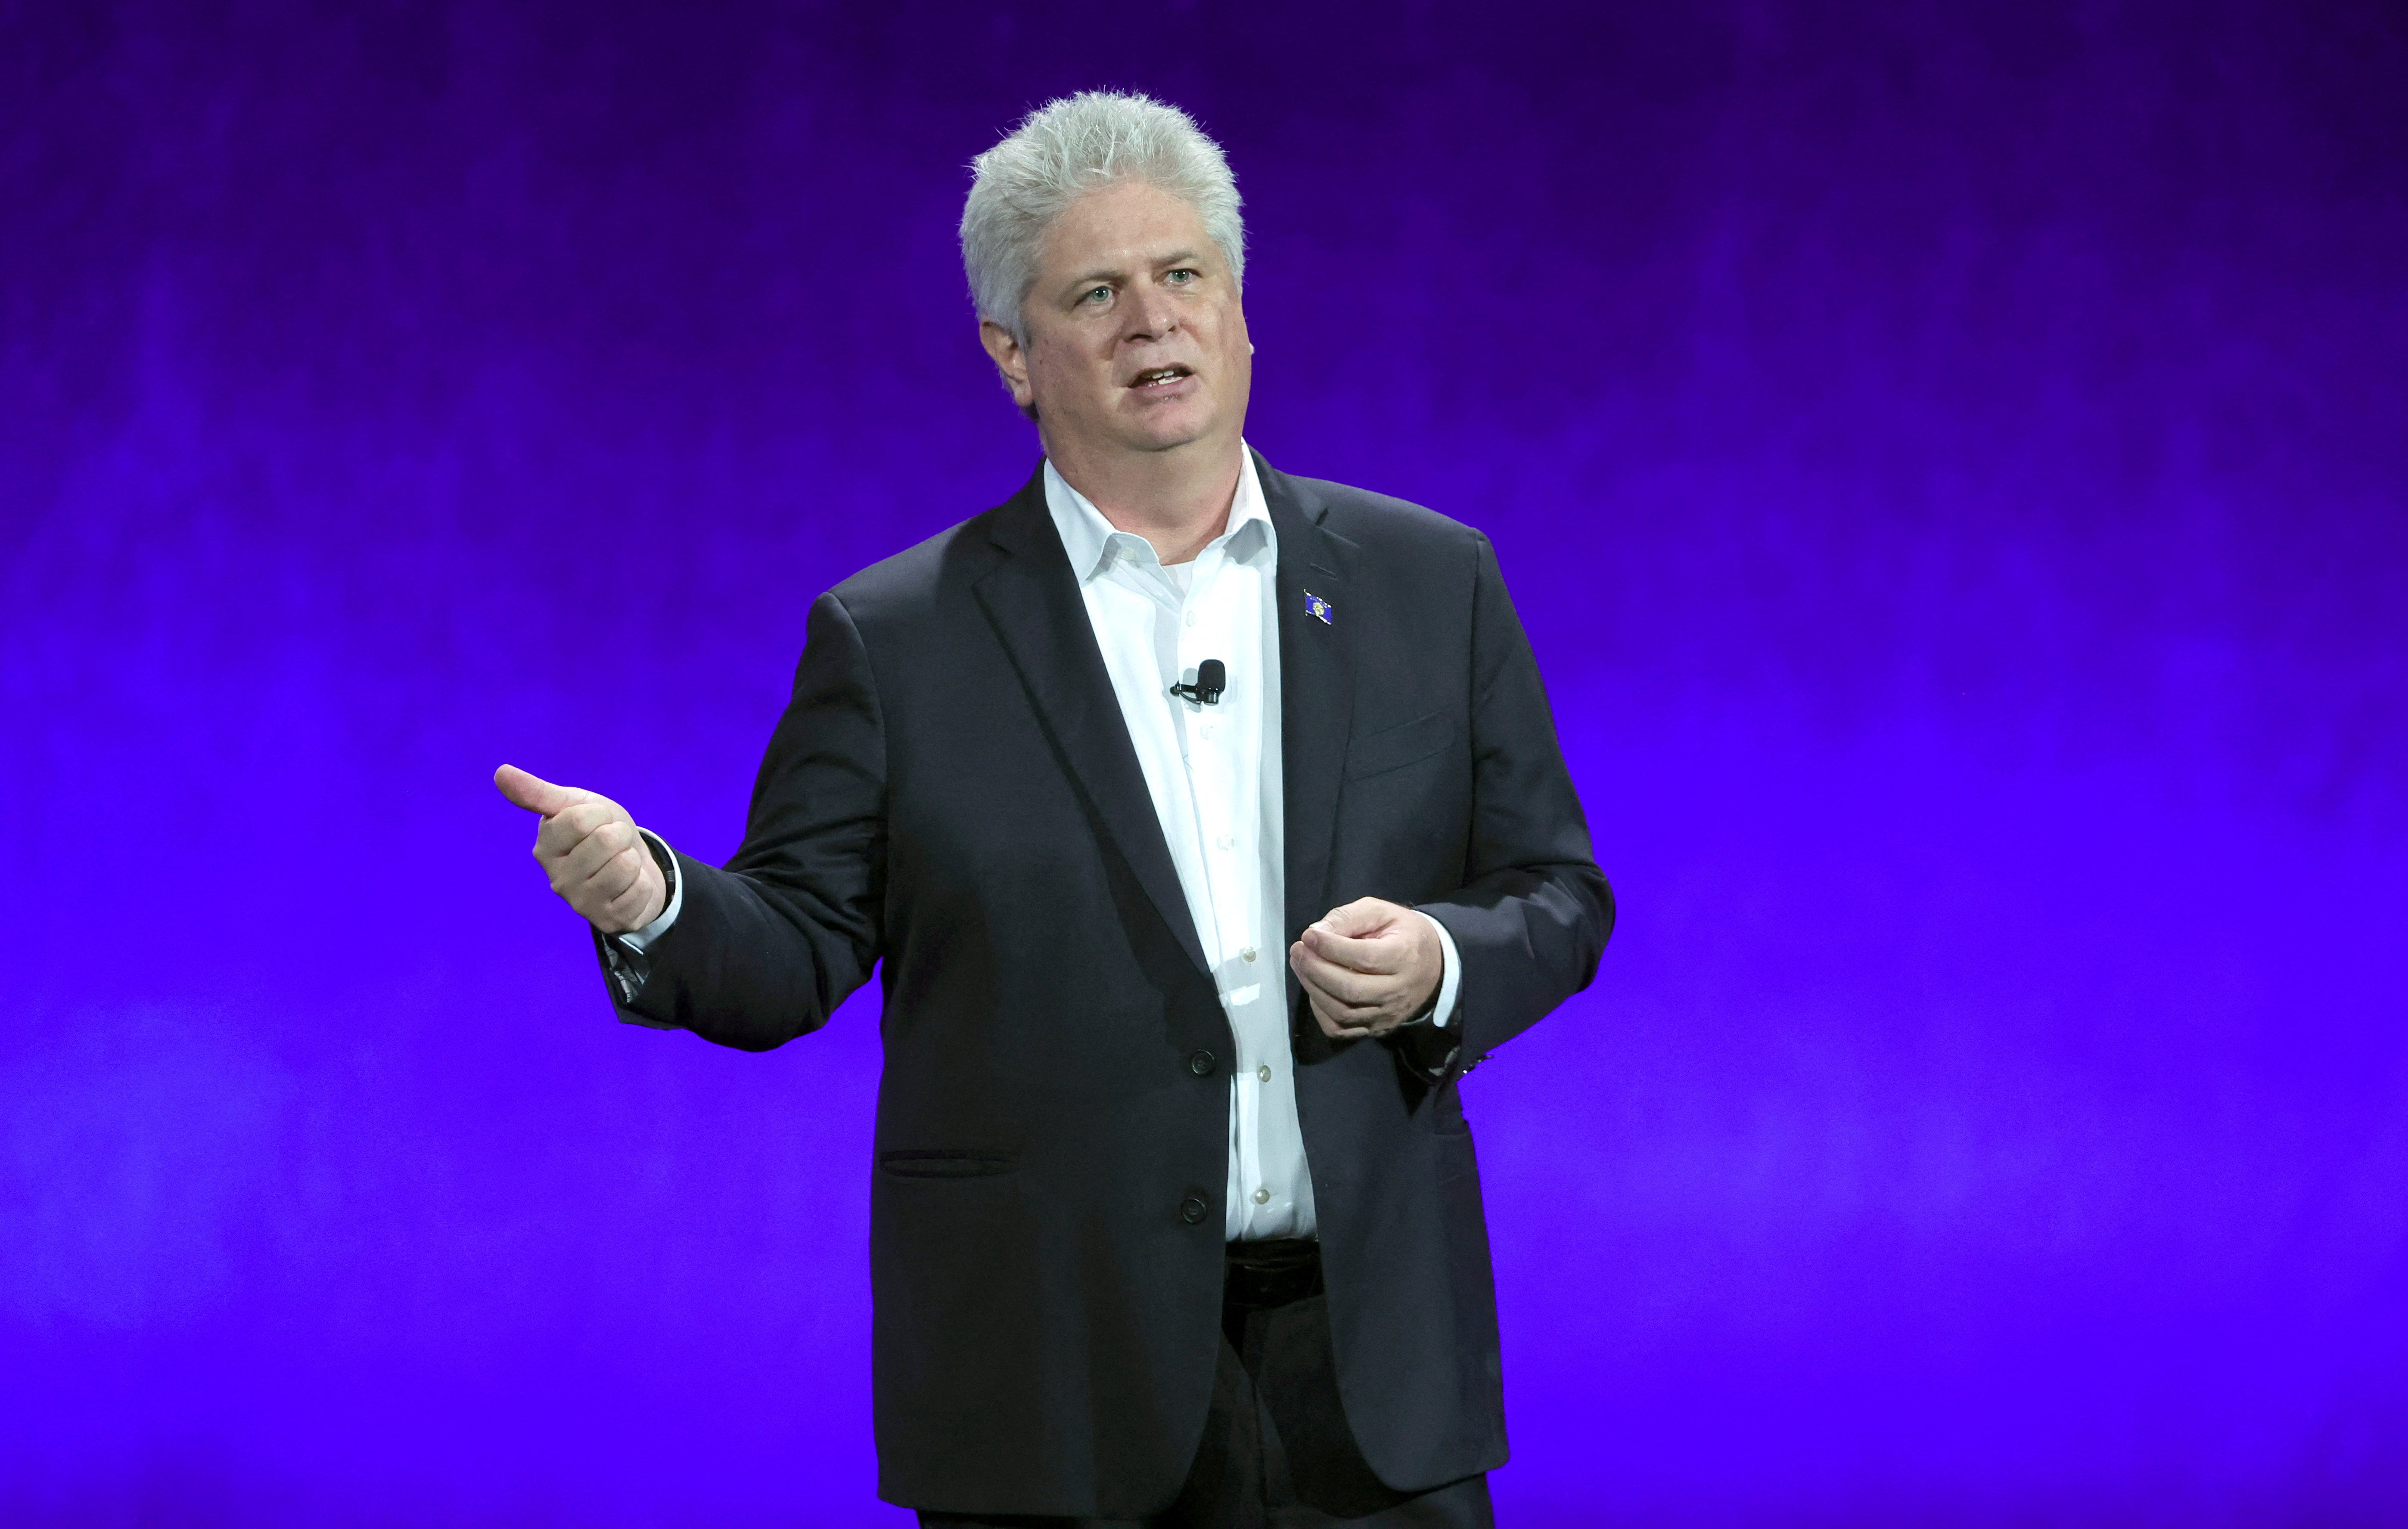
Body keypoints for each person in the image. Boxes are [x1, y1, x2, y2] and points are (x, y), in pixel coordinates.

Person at [495, 90, 1610, 1528]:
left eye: (1184, 277)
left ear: (1243, 314)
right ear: (1014, 359)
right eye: (1098, 293)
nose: (1154, 321)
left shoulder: (1429, 581)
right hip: (1052, 1387)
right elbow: (793, 952)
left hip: (1373, 1377)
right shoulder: (898, 639)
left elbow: (1559, 895)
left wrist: (1445, 963)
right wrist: (653, 896)